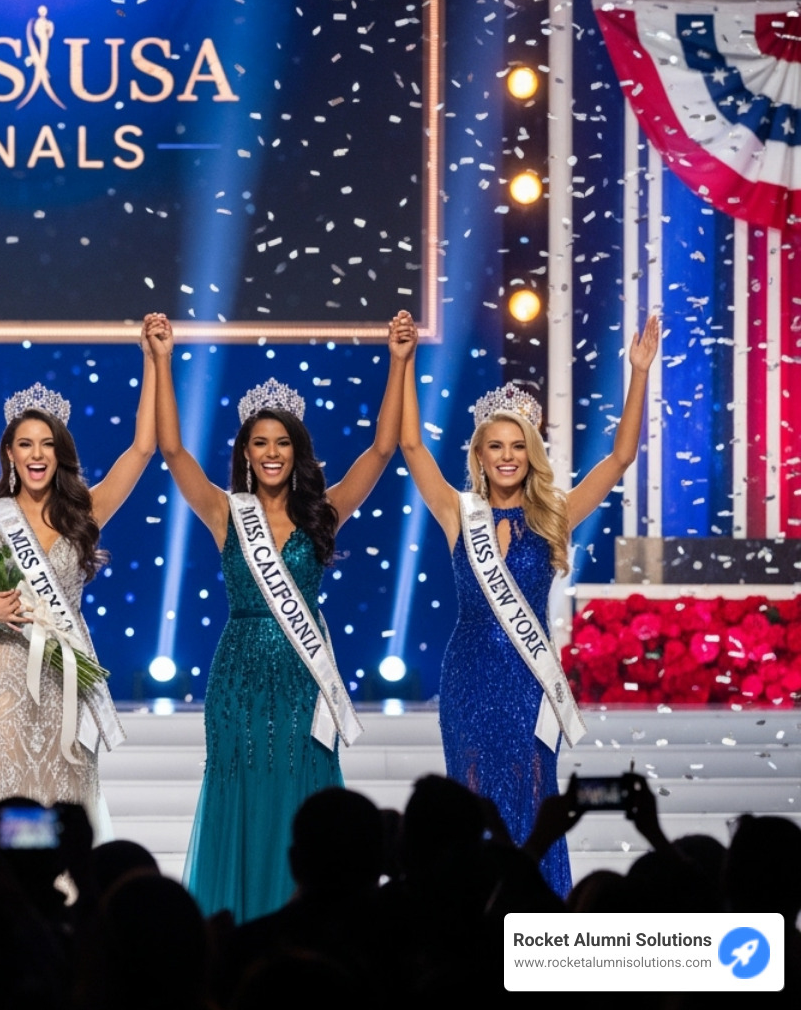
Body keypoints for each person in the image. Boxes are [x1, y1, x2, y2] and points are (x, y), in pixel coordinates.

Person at [152, 311, 413, 923]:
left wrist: (400, 363)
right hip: (238, 676)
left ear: (298, 452)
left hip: (304, 679)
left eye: (283, 442)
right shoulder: (225, 512)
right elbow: (172, 450)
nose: (271, 453)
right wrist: (160, 361)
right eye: (260, 443)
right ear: (245, 452)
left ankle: (309, 923)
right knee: (240, 791)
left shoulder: (324, 510)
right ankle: (242, 926)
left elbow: (382, 450)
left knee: (302, 792)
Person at [397, 307, 659, 896]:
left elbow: (619, 458)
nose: (508, 455)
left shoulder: (553, 516)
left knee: (533, 792)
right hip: (467, 675)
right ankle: (472, 913)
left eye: (519, 445)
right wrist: (405, 362)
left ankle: (536, 913)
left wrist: (639, 372)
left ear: (532, 451)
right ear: (480, 455)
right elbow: (411, 445)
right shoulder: (457, 513)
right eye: (496, 446)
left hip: (529, 679)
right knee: (469, 799)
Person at [0, 325, 158, 827]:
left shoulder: (85, 511)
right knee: (6, 801)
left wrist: (153, 359)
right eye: (25, 444)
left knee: (66, 804)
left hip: (67, 672)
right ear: (10, 454)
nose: (36, 454)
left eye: (47, 444)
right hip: (2, 674)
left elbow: (142, 450)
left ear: (60, 452)